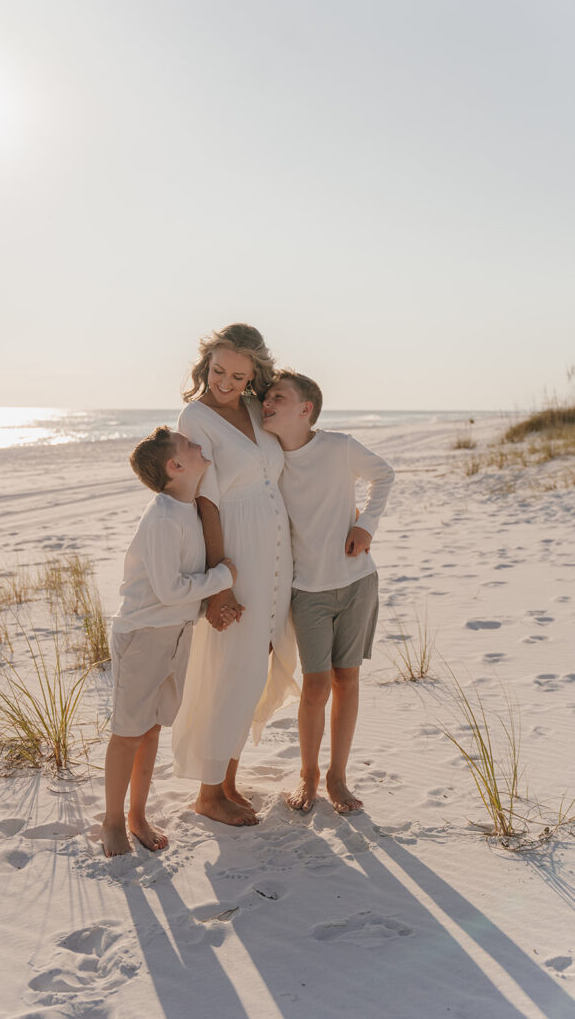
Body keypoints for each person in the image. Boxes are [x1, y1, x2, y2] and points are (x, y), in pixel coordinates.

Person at [172, 324, 298, 826]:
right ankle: (207, 792)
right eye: (218, 370)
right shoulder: (194, 416)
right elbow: (205, 500)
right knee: (231, 666)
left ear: (253, 377)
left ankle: (226, 781)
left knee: (255, 665)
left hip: (277, 550)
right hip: (236, 550)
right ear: (206, 364)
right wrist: (219, 582)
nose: (224, 381)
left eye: (237, 375)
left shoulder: (253, 408)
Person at [262, 370, 395, 813]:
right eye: (265, 397)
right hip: (308, 591)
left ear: (305, 410)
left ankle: (337, 775)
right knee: (315, 686)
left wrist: (365, 525)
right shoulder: (271, 459)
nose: (267, 402)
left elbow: (384, 476)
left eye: (277, 397)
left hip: (357, 582)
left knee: (347, 678)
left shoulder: (338, 446)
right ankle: (309, 773)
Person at [101, 426, 237, 857]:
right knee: (127, 733)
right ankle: (111, 821)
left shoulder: (187, 509)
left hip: (176, 634)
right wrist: (224, 577)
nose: (201, 445)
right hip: (142, 637)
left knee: (152, 730)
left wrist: (212, 607)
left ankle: (137, 815)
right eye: (190, 445)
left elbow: (182, 595)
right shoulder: (162, 517)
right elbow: (169, 590)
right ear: (175, 467)